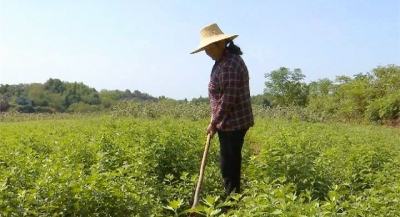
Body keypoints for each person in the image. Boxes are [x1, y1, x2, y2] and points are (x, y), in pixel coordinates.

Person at [190, 23, 254, 197]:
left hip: (233, 122)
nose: (207, 53)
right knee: (229, 163)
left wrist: (213, 123)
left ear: (219, 44)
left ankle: (231, 204)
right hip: (229, 121)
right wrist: (215, 120)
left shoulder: (228, 65)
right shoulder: (223, 61)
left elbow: (227, 100)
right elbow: (219, 98)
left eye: (208, 48)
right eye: (205, 49)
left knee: (229, 165)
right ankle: (231, 198)